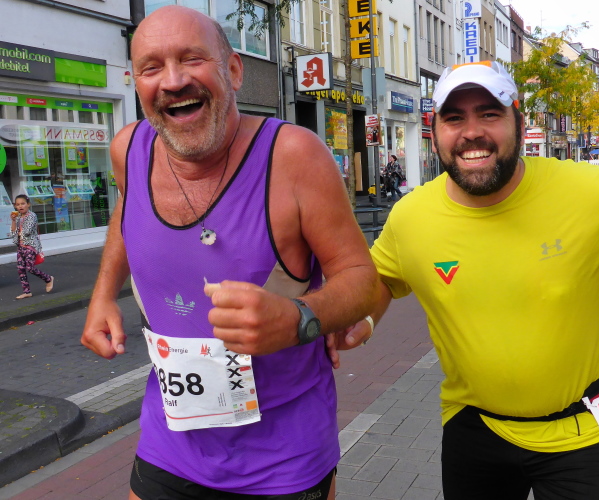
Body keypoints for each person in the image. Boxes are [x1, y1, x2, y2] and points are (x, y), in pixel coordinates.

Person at [329, 60, 599, 499]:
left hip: (584, 431)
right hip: (474, 427)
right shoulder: (412, 216)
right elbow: (381, 279)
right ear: (435, 132)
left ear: (519, 121)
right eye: (454, 118)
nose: (472, 132)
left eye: (489, 114)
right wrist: (362, 317)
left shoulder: (597, 192)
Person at [80, 6, 378, 499]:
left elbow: (361, 278)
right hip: (171, 437)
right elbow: (127, 210)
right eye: (152, 67)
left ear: (234, 70)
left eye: (192, 59)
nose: (173, 80)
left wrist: (299, 317)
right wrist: (103, 293)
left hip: (283, 453)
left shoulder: (294, 156)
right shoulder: (128, 149)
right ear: (136, 83)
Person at [11, 194, 53, 300]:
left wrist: (18, 232)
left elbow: (27, 231)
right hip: (20, 246)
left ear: (28, 204)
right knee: (20, 269)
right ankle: (27, 292)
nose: (20, 206)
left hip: (30, 246)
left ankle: (48, 279)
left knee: (29, 268)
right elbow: (13, 233)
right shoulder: (18, 217)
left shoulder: (31, 215)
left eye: (23, 204)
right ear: (15, 206)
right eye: (18, 204)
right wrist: (13, 221)